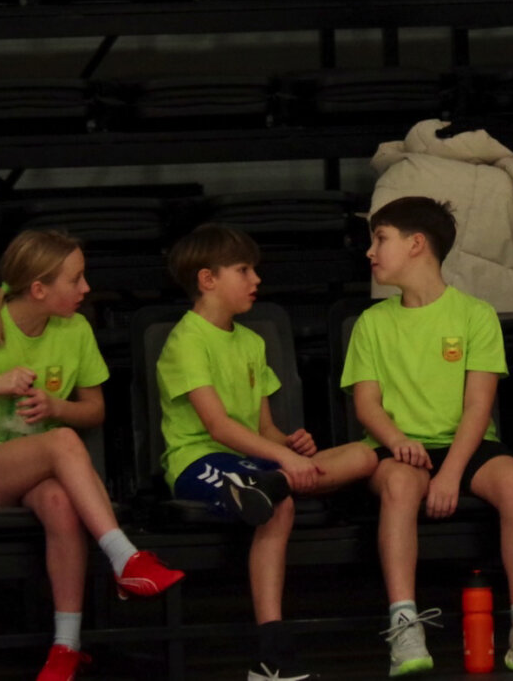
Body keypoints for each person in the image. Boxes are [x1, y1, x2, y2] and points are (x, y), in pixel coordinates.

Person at [0, 230, 184, 681]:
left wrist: (56, 408)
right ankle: (125, 558)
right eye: (75, 279)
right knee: (63, 441)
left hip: (42, 468)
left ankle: (66, 647)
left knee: (59, 501)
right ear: (38, 289)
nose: (86, 288)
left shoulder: (76, 329)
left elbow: (95, 410)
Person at [341, 197, 513, 676]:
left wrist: (450, 474)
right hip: (398, 446)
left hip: (466, 445)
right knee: (400, 485)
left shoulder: (475, 315)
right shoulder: (371, 322)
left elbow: (477, 409)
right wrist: (398, 442)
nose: (370, 251)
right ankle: (405, 626)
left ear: (416, 244)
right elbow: (367, 405)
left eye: (380, 239)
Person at [157, 223, 378, 681]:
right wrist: (287, 460)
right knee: (280, 505)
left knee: (365, 455)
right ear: (207, 279)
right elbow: (218, 427)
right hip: (199, 461)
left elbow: (264, 430)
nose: (256, 279)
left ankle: (271, 483)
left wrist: (289, 445)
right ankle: (272, 652)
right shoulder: (186, 341)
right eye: (243, 270)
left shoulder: (252, 341)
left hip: (252, 460)